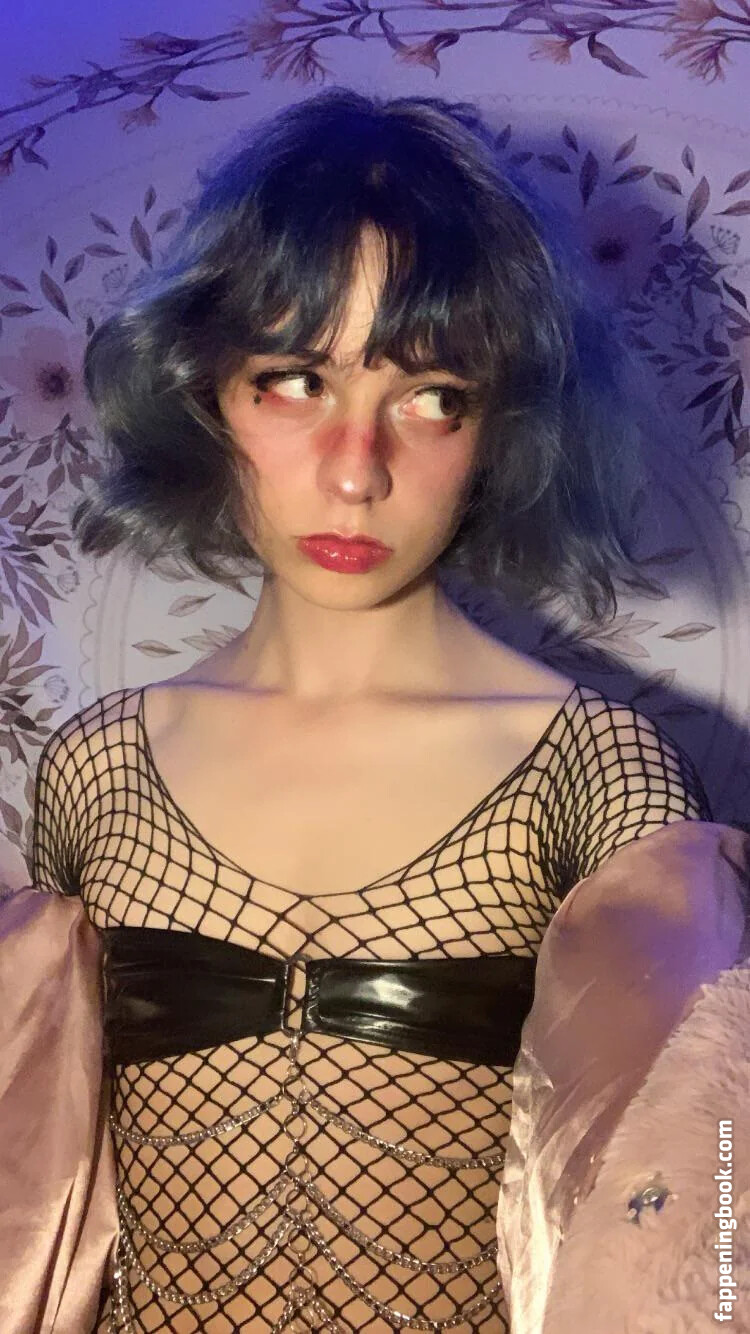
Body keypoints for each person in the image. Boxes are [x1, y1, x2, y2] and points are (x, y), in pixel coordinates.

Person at [6, 88, 747, 1334]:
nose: (356, 470)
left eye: (432, 395)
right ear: (206, 391)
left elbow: (688, 1229)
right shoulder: (97, 770)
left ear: (502, 425)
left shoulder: (597, 774)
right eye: (296, 380)